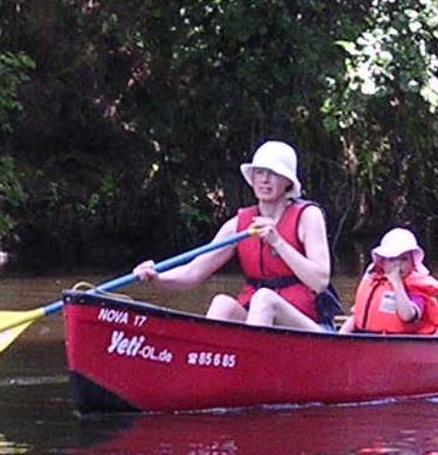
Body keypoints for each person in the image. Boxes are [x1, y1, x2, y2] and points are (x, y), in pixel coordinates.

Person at [132, 140, 334, 329]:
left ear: (287, 182)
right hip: (261, 323)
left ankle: (247, 362)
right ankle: (212, 360)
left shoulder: (308, 216)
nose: (264, 179)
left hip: (307, 325)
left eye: (273, 173)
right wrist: (157, 277)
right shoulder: (238, 225)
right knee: (222, 304)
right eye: (259, 172)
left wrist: (278, 242)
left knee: (264, 298)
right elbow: (193, 272)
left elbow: (320, 282)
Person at [340, 228, 438, 335]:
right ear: (382, 262)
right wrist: (341, 335)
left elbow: (407, 316)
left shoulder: (415, 289)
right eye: (391, 259)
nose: (397, 264)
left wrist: (397, 284)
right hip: (369, 340)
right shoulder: (373, 281)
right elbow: (356, 317)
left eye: (404, 259)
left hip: (402, 345)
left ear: (412, 263)